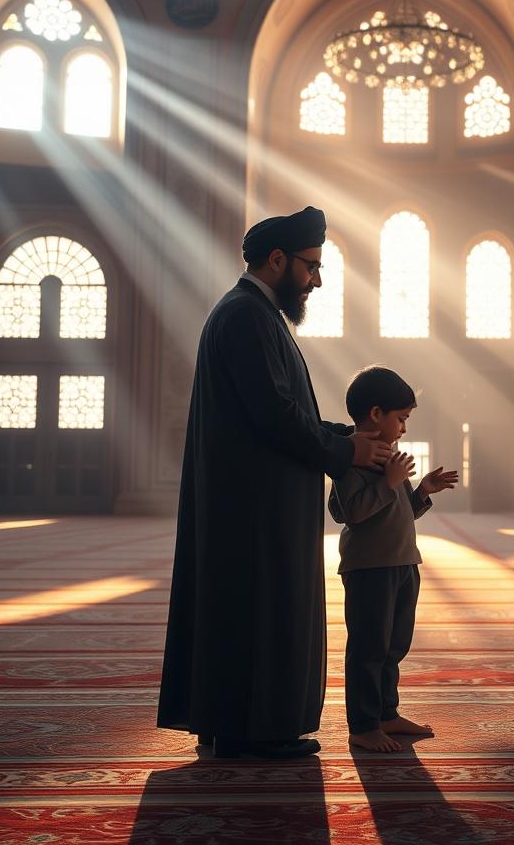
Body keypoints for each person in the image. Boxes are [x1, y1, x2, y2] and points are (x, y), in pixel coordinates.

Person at [157, 207, 393, 760]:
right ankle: (253, 731)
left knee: (246, 609)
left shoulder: (254, 314)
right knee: (258, 611)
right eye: (311, 266)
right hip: (255, 508)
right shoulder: (246, 317)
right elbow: (275, 416)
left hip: (256, 499)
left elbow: (287, 414)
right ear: (278, 260)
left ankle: (230, 723)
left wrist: (346, 439)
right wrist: (346, 448)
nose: (317, 279)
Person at [328, 366, 458, 753]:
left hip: (402, 562)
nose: (403, 428)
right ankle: (363, 725)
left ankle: (387, 713)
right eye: (400, 419)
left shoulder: (387, 455)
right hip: (370, 567)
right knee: (369, 647)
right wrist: (388, 482)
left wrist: (420, 491)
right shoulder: (356, 455)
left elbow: (396, 513)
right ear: (375, 414)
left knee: (393, 645)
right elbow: (353, 514)